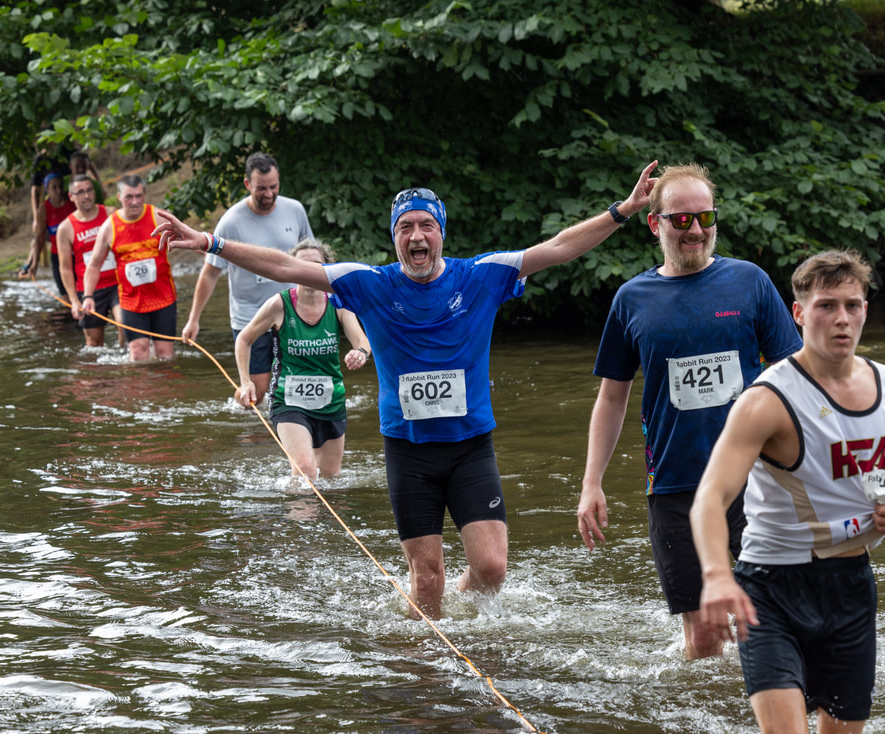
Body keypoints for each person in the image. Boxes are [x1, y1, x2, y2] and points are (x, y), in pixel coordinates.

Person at [153, 160, 660, 619]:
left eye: (426, 226)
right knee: (428, 582)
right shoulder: (368, 282)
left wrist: (622, 211)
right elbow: (285, 267)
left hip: (469, 447)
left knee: (492, 571)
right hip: (409, 453)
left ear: (441, 232)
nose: (417, 236)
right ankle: (427, 676)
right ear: (394, 238)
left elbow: (556, 249)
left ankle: (458, 613)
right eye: (405, 228)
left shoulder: (482, 276)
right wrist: (210, 243)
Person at [690, 249, 885, 733]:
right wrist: (718, 576)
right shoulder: (766, 400)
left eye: (852, 305)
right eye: (826, 306)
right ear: (799, 313)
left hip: (851, 586)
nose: (841, 319)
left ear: (865, 309)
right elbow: (709, 499)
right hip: (770, 590)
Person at [576, 162, 803, 659]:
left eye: (705, 218)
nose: (695, 230)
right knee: (703, 640)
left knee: (768, 623)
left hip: (757, 479)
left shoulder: (750, 283)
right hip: (675, 486)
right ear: (655, 224)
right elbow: (612, 397)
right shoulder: (632, 299)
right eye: (681, 220)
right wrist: (592, 482)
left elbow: (795, 378)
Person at [234, 239, 371, 482]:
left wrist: (360, 353)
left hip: (331, 401)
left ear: (327, 269)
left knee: (330, 478)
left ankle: (312, 518)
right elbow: (244, 339)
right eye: (302, 265)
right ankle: (299, 519)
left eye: (316, 265)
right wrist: (246, 382)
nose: (309, 271)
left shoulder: (338, 303)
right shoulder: (279, 304)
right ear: (292, 268)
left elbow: (362, 341)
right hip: (289, 401)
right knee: (305, 471)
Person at [182, 152, 314, 398]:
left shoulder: (294, 210)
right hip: (249, 316)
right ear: (247, 185)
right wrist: (194, 319)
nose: (269, 194)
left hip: (291, 312)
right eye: (261, 188)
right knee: (259, 393)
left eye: (274, 187)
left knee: (296, 389)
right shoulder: (230, 222)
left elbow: (312, 260)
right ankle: (249, 423)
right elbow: (210, 273)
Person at [81, 175, 178, 362]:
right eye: (129, 197)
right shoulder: (110, 226)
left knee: (164, 354)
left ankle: (166, 390)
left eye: (139, 196)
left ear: (144, 195)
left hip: (163, 298)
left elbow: (188, 239)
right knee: (138, 352)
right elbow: (94, 264)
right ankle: (139, 390)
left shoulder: (158, 217)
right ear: (119, 197)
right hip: (132, 302)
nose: (135, 202)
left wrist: (210, 253)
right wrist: (87, 296)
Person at [55, 174, 122, 348]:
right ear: (71, 197)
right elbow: (65, 269)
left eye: (90, 190)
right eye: (81, 192)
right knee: (94, 342)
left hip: (118, 283)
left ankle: (128, 362)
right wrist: (74, 301)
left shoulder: (110, 213)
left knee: (126, 326)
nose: (87, 196)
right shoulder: (65, 228)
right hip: (89, 291)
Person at [23, 172, 77, 294]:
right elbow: (40, 238)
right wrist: (34, 263)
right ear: (47, 189)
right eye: (54, 187)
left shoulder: (72, 203)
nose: (58, 191)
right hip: (58, 257)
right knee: (65, 295)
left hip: (77, 254)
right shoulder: (44, 209)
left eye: (60, 186)